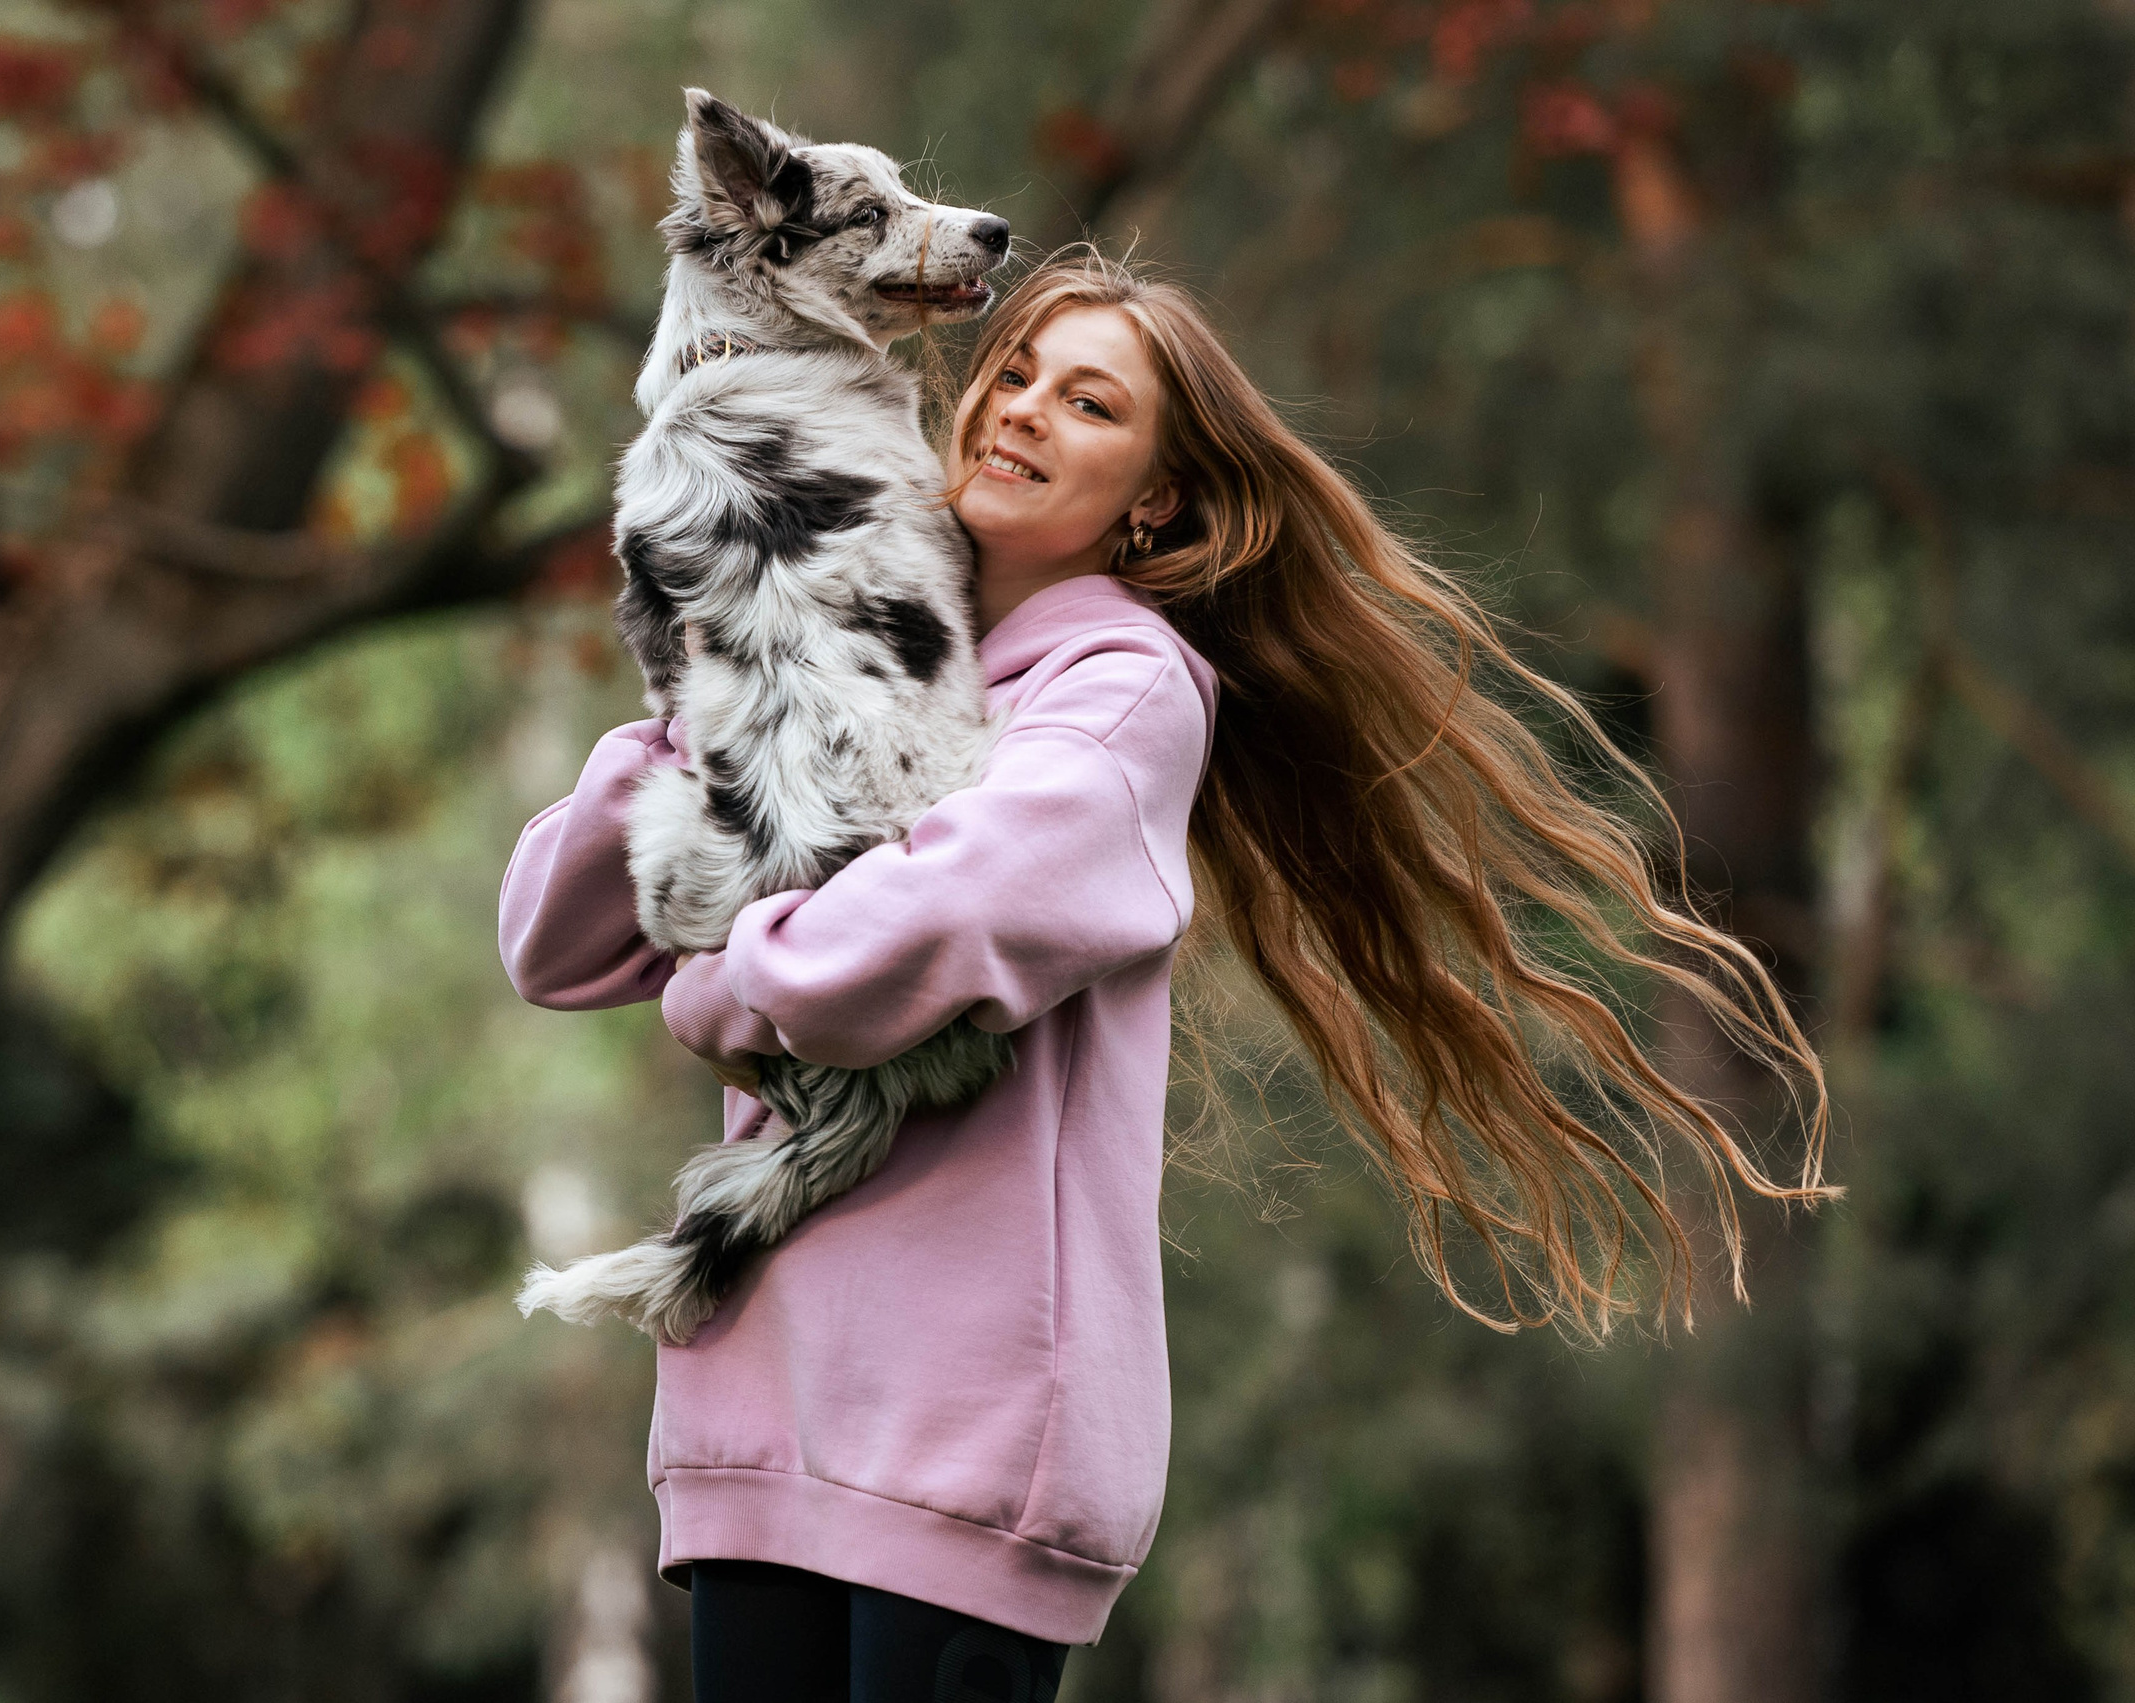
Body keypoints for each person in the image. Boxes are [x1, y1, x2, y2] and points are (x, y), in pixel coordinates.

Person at [496, 250, 1828, 1703]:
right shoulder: (842, 653)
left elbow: (897, 947)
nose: (1018, 411)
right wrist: (700, 683)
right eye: (1013, 374)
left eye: (1087, 403)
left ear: (1156, 501)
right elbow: (558, 943)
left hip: (962, 1444)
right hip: (755, 1405)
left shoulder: (1118, 695)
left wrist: (713, 984)